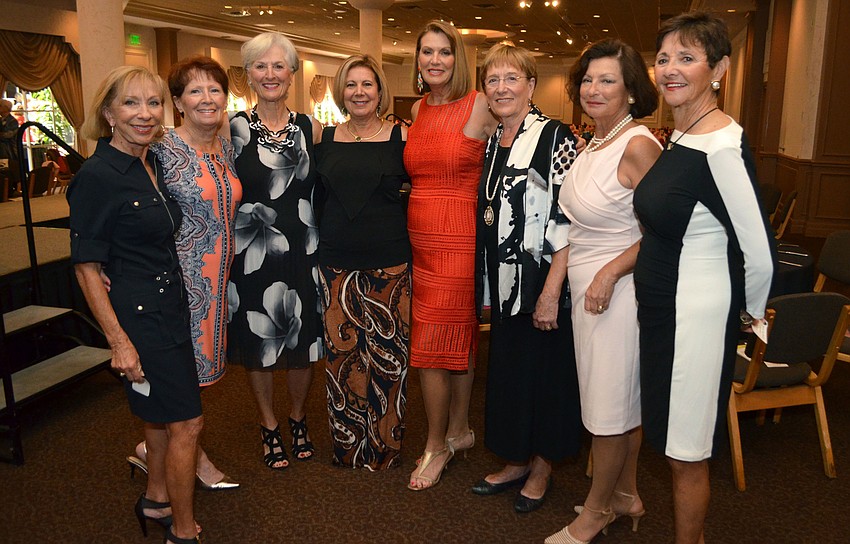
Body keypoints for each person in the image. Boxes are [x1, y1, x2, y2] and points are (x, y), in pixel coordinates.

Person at [635, 12, 774, 543]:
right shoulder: (684, 133)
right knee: (670, 441)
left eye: (687, 59)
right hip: (664, 307)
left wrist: (749, 321)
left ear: (718, 69)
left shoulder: (722, 146)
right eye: (664, 57)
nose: (670, 70)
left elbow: (759, 253)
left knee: (686, 452)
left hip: (694, 314)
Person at [68, 66, 202, 543]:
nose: (145, 114)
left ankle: (156, 500)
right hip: (138, 316)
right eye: (131, 103)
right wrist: (118, 343)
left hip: (170, 305)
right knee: (187, 420)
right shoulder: (97, 175)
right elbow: (86, 267)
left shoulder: (154, 163)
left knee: (160, 414)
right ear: (107, 113)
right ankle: (183, 532)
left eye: (153, 103)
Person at [545, 38, 663, 544]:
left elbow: (664, 231)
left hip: (619, 291)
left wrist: (611, 273)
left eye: (607, 80)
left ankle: (595, 513)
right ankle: (625, 494)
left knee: (608, 410)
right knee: (616, 401)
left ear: (632, 91)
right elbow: (579, 228)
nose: (593, 89)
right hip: (588, 286)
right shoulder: (594, 141)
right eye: (588, 79)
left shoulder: (638, 145)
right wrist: (556, 285)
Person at [469, 44, 582, 514]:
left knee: (544, 376)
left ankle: (542, 467)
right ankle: (516, 459)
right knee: (511, 372)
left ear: (531, 86)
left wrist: (552, 291)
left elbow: (569, 219)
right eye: (493, 80)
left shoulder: (555, 136)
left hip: (543, 282)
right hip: (505, 282)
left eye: (512, 78)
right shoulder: (495, 139)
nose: (502, 88)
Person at [125, 55, 242, 491]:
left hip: (217, 285)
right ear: (177, 102)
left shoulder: (225, 147)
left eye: (214, 89)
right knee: (176, 381)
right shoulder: (160, 150)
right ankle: (190, 454)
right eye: (195, 90)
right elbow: (127, 208)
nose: (206, 99)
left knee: (199, 379)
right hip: (177, 286)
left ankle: (157, 449)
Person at [403, 20, 498, 491]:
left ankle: (436, 443)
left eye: (444, 52)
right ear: (417, 60)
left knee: (433, 346)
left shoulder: (479, 103)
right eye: (427, 52)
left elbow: (518, 140)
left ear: (457, 59)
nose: (434, 60)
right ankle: (459, 429)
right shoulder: (418, 109)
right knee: (455, 337)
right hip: (420, 236)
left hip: (460, 237)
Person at [227, 32, 323, 469]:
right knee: (260, 342)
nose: (270, 74)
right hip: (252, 251)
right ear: (248, 75)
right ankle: (268, 424)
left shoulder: (311, 128)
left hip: (302, 249)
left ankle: (298, 417)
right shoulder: (233, 130)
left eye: (278, 66)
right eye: (260, 66)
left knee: (302, 340)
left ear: (291, 74)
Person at [314, 54, 411, 470]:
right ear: (341, 92)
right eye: (351, 85)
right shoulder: (325, 138)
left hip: (389, 263)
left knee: (390, 360)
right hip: (336, 263)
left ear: (379, 91)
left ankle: (384, 448)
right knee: (342, 359)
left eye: (366, 85)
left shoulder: (402, 137)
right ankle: (348, 447)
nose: (358, 92)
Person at [0, 99, 21, 198]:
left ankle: (13, 190)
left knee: (11, 168)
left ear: (5, 108)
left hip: (9, 150)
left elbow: (9, 135)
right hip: (2, 148)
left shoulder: (12, 121)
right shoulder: (1, 120)